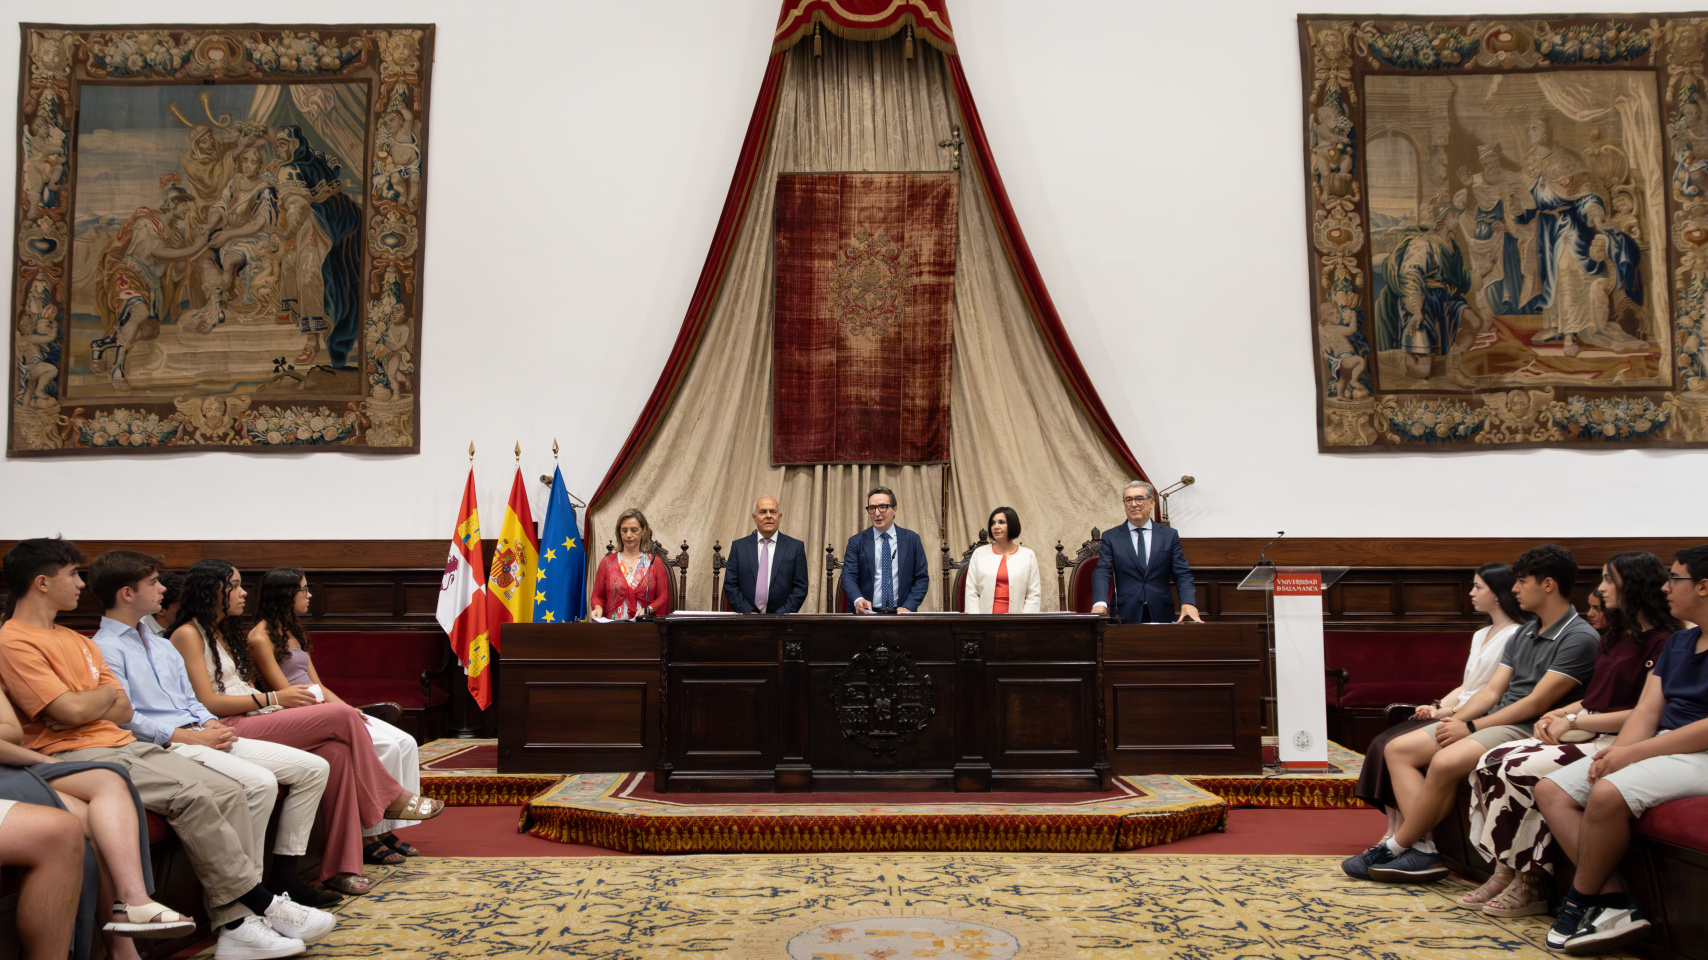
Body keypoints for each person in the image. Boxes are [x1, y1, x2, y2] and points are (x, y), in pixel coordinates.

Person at [0, 538, 333, 960]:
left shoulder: (79, 641)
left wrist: (93, 703)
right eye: (72, 575)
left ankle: (240, 923)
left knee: (231, 789)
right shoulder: (16, 640)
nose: (80, 584)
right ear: (42, 583)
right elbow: (71, 711)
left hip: (119, 741)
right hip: (78, 751)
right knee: (196, 794)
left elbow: (117, 704)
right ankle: (255, 906)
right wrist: (95, 701)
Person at [167, 559, 443, 896]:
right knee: (341, 717)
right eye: (235, 586)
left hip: (255, 715)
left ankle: (341, 868)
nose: (243, 593)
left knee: (337, 753)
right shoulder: (187, 633)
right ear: (212, 591)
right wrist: (272, 699)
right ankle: (388, 796)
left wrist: (269, 701)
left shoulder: (223, 632)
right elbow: (208, 702)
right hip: (227, 724)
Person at [89, 551, 339, 909]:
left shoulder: (160, 643)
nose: (163, 588)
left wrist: (208, 724)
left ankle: (283, 874)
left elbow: (191, 699)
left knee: (315, 768)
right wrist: (190, 735)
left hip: (199, 731)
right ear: (127, 593)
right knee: (260, 783)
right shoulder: (104, 648)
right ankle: (253, 896)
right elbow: (126, 717)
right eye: (154, 582)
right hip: (165, 744)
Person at [1342, 543, 1599, 884]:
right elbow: (1493, 690)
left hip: (1527, 726)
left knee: (1445, 761)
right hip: (1498, 716)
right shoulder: (1525, 630)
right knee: (1398, 749)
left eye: (1522, 581)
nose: (1515, 589)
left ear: (1548, 585)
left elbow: (1536, 703)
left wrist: (1472, 725)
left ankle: (1396, 846)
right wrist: (1458, 718)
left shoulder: (1579, 636)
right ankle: (1423, 848)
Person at [1463, 551, 1679, 916]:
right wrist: (1559, 712)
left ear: (1634, 585)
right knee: (1491, 760)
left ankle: (1531, 882)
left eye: (1609, 580)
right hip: (1591, 726)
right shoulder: (1620, 634)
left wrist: (1575, 722)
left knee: (1521, 770)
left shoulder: (1662, 641)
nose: (1600, 588)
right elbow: (1593, 698)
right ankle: (1506, 868)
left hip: (1616, 735)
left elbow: (1643, 714)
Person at [1533, 545, 1708, 955]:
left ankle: (1577, 902)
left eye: (1675, 579)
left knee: (1608, 793)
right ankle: (1612, 902)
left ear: (1703, 586)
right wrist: (1614, 755)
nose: (1666, 587)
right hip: (1664, 745)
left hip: (1701, 754)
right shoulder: (1681, 643)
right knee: (1551, 790)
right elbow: (1647, 711)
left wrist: (1635, 754)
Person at [248, 567, 424, 863]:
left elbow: (317, 683)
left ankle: (388, 830)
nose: (310, 595)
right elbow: (284, 693)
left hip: (323, 707)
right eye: (304, 590)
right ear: (286, 594)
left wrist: (346, 708)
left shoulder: (292, 631)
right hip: (299, 713)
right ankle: (369, 834)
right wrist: (334, 713)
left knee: (405, 742)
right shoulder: (259, 637)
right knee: (386, 746)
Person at [1353, 562, 1527, 849]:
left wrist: (1450, 713)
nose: (1471, 592)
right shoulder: (1481, 634)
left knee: (1395, 745)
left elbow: (1492, 690)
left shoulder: (1515, 634)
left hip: (1478, 715)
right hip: (1460, 708)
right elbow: (1467, 685)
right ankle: (1396, 827)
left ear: (1498, 594)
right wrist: (1436, 705)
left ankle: (1416, 837)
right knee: (1384, 740)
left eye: (1478, 587)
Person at [1090, 480, 1200, 623]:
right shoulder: (1111, 537)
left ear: (1152, 502)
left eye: (1139, 499)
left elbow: (1182, 573)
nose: (1133, 504)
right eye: (1128, 500)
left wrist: (1188, 602)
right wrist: (1100, 603)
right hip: (1124, 613)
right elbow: (1102, 571)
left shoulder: (1169, 535)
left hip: (1161, 610)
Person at [842, 486, 930, 614]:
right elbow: (848, 576)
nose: (877, 513)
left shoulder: (912, 539)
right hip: (866, 614)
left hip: (901, 613)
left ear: (895, 509)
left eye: (882, 507)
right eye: (872, 508)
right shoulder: (856, 542)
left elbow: (921, 578)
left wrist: (908, 606)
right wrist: (858, 599)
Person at [722, 497, 809, 614]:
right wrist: (747, 612)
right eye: (763, 512)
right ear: (754, 517)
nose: (768, 516)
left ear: (780, 516)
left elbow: (800, 587)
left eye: (773, 512)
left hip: (781, 622)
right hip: (746, 621)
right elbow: (730, 584)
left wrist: (781, 615)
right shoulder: (739, 547)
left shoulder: (795, 547)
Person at [590, 508, 673, 620]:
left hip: (645, 628)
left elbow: (663, 597)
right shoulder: (607, 562)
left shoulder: (655, 562)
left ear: (643, 530)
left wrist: (648, 609)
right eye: (624, 530)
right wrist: (598, 608)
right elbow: (597, 596)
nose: (628, 535)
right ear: (619, 531)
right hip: (612, 629)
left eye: (634, 530)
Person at [963, 507, 1042, 614]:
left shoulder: (1028, 555)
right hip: (984, 622)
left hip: (1017, 623)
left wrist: (1025, 622)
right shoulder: (979, 553)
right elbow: (971, 591)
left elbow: (1033, 594)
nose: (996, 527)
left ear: (1012, 525)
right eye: (993, 523)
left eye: (1001, 522)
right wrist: (976, 621)